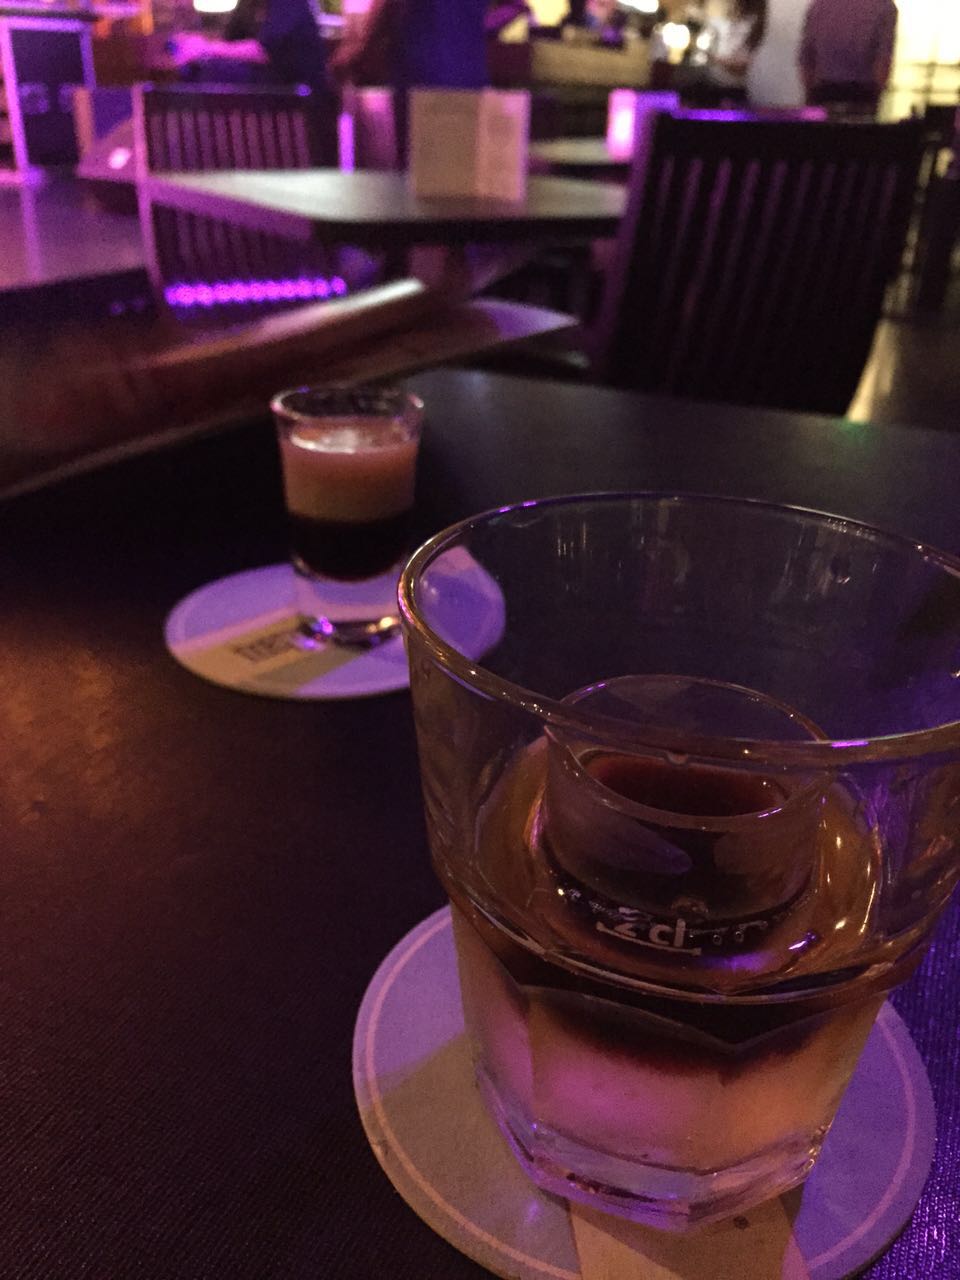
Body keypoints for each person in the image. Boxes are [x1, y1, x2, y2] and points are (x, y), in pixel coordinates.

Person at [169, 0, 338, 158]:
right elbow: (231, 44)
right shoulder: (248, 5)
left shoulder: (289, 3)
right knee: (198, 73)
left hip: (299, 112)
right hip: (267, 106)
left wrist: (205, 48)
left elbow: (264, 51)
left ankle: (198, 156)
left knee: (212, 76)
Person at [330, 0, 489, 161]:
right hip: (468, 71)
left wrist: (361, 49)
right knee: (458, 164)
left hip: (424, 71)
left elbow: (392, 3)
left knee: (422, 164)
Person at [798, 0, 898, 115]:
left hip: (822, 93)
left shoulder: (819, 5)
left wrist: (809, 99)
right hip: (862, 96)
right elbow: (882, 63)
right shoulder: (884, 6)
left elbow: (807, 60)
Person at [680, 0, 767, 107]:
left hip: (732, 91)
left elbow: (741, 67)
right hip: (715, 86)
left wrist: (712, 57)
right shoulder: (730, 23)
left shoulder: (753, 25)